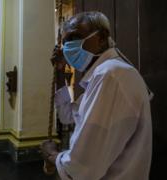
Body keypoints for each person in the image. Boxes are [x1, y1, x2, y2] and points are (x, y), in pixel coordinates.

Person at [41, 11, 152, 180]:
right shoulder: (103, 74)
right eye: (65, 42)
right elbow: (68, 116)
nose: (68, 47)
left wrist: (52, 155)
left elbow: (81, 168)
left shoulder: (110, 75)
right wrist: (59, 72)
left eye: (74, 37)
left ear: (101, 38)